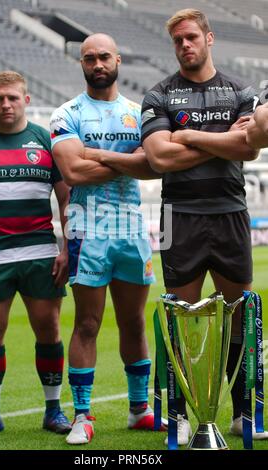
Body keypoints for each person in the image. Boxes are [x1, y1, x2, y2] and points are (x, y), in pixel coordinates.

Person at [141, 9, 268, 444]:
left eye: (192, 37)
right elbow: (159, 158)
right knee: (181, 318)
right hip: (179, 214)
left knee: (240, 316)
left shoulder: (239, 91)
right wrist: (221, 142)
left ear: (209, 37)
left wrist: (188, 136)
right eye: (177, 40)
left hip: (231, 210)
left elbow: (248, 147)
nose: (185, 46)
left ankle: (245, 412)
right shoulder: (158, 95)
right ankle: (178, 414)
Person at [50, 33, 167, 445]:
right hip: (86, 229)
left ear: (117, 59)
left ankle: (139, 410)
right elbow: (73, 174)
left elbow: (155, 166)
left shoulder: (140, 112)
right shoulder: (66, 113)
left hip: (130, 229)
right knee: (87, 323)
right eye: (89, 59)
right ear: (81, 64)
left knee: (134, 322)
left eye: (103, 56)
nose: (97, 64)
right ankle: (82, 415)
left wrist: (96, 154)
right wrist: (128, 162)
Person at [0, 71, 71, 438]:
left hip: (41, 253)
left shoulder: (46, 141)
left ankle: (54, 410)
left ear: (26, 100)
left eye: (13, 97)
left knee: (48, 329)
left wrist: (66, 246)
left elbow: (66, 197)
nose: (6, 104)